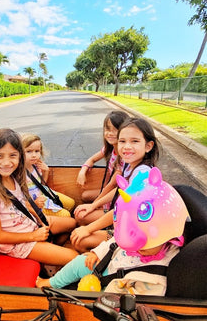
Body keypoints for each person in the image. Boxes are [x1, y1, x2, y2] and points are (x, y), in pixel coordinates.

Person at [36, 167, 188, 296]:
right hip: (107, 263)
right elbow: (115, 241)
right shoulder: (137, 234)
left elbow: (138, 301)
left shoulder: (156, 277)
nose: (136, 248)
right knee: (79, 263)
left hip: (113, 288)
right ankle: (51, 283)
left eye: (144, 247)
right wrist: (98, 252)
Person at [0, 128, 77, 267]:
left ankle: (49, 255)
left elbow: (25, 206)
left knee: (72, 223)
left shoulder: (15, 178)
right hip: (17, 243)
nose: (6, 162)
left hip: (31, 224)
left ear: (20, 157)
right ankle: (47, 259)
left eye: (12, 155)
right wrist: (34, 236)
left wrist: (40, 219)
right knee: (75, 257)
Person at [71, 117, 160, 253]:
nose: (127, 146)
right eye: (122, 141)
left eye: (134, 141)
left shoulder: (142, 174)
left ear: (148, 146)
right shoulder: (131, 166)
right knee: (82, 217)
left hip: (134, 234)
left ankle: (104, 267)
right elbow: (119, 191)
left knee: (80, 240)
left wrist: (88, 229)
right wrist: (93, 206)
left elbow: (122, 210)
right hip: (124, 223)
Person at [76, 110, 129, 202]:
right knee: (85, 196)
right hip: (110, 191)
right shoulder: (109, 149)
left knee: (82, 215)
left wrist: (94, 205)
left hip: (120, 196)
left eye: (115, 129)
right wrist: (83, 171)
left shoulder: (125, 156)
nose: (110, 133)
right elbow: (92, 159)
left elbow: (112, 185)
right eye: (107, 129)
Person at [22, 133, 75, 217]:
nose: (34, 155)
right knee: (66, 215)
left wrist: (46, 171)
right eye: (28, 151)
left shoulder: (36, 165)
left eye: (37, 151)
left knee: (71, 203)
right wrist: (33, 204)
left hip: (43, 194)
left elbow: (41, 185)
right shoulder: (19, 173)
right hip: (35, 202)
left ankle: (61, 222)